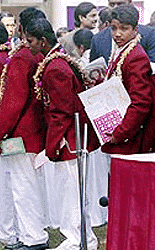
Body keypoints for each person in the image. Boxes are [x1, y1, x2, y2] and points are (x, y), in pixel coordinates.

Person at [26, 18, 100, 250]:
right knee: (73, 192)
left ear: (43, 41)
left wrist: (53, 143)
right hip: (71, 137)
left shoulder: (55, 68)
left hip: (68, 139)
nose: (28, 45)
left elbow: (61, 110)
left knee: (69, 193)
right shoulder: (57, 61)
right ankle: (83, 237)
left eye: (31, 41)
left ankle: (76, 238)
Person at [0, 9, 49, 249]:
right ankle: (33, 234)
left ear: (23, 29)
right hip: (34, 127)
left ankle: (32, 237)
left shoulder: (23, 56)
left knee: (23, 187)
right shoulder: (36, 54)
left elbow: (13, 99)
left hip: (21, 131)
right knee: (31, 185)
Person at [100, 5, 155, 249]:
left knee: (132, 198)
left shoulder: (136, 56)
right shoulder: (123, 51)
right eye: (114, 28)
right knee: (122, 196)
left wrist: (120, 133)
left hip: (131, 139)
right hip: (124, 134)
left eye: (124, 29)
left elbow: (141, 103)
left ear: (135, 29)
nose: (118, 33)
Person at [90, 0, 155, 63]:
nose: (116, 8)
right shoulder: (98, 39)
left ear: (130, 3)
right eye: (112, 5)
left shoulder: (150, 35)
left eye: (120, 4)